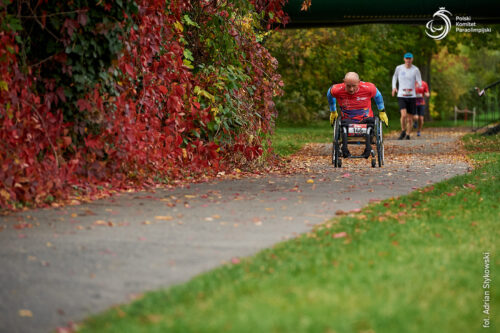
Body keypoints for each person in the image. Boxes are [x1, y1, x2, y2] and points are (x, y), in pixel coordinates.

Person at [327, 72, 388, 158]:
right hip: (347, 120)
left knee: (370, 127)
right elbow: (329, 94)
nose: (351, 89)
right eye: (348, 86)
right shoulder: (337, 89)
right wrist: (333, 111)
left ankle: (368, 150)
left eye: (354, 86)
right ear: (344, 82)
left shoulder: (369, 88)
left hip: (366, 119)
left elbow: (378, 96)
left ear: (359, 82)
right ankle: (344, 151)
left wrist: (382, 111)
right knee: (343, 129)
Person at [392, 53, 422, 140]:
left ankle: (408, 134)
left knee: (410, 119)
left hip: (412, 96)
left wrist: (417, 84)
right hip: (401, 95)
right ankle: (403, 130)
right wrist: (394, 87)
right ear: (404, 59)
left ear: (412, 59)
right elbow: (394, 77)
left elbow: (420, 82)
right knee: (403, 115)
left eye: (410, 59)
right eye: (406, 58)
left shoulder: (415, 69)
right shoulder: (399, 68)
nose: (408, 60)